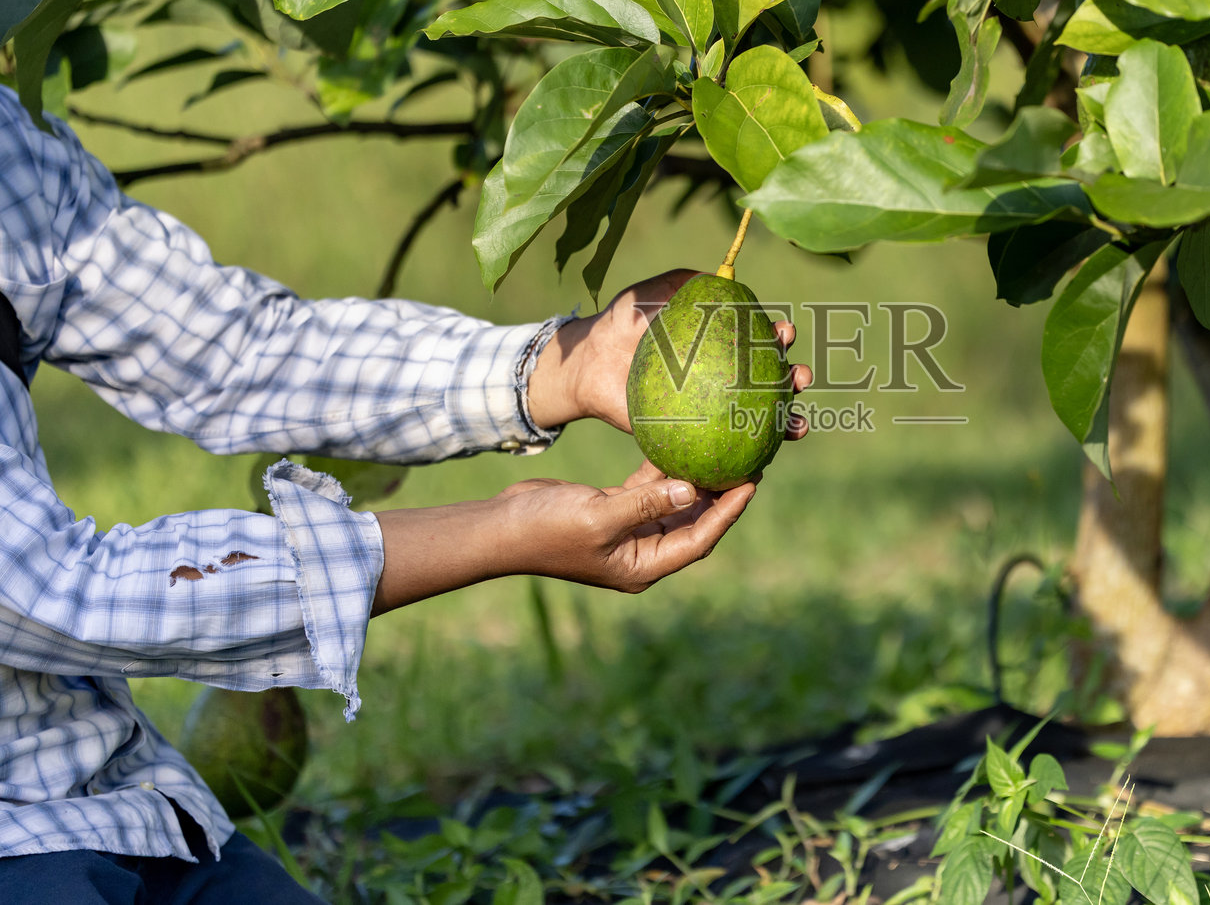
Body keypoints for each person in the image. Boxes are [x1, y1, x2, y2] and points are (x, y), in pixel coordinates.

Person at [0, 84, 812, 902]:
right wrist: (502, 531)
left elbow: (237, 350)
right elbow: (52, 594)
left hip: (125, 806)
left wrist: (567, 365)